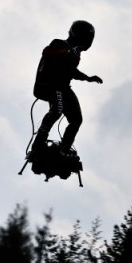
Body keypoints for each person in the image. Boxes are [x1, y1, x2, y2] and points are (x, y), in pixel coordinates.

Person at [30, 20, 103, 160]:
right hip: (48, 85)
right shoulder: (61, 43)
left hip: (62, 88)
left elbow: (71, 71)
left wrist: (88, 78)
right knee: (57, 109)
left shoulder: (75, 53)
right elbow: (47, 52)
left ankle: (64, 149)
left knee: (76, 119)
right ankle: (38, 144)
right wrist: (66, 52)